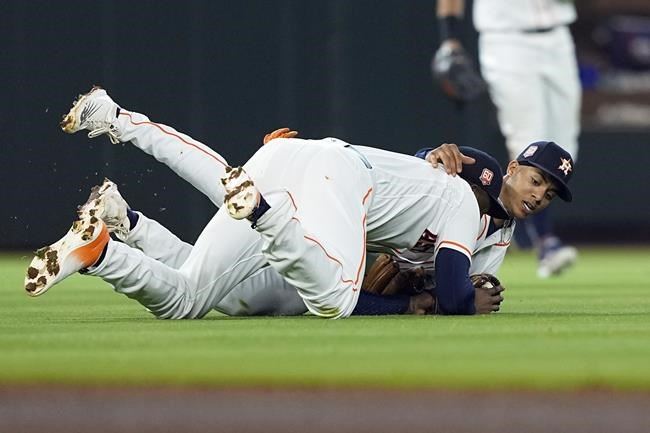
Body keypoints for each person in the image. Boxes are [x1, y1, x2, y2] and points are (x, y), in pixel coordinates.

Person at [24, 87, 508, 318]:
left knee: (187, 300)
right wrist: (427, 302)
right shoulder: (458, 202)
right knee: (334, 302)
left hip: (294, 161)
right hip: (327, 188)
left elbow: (416, 257)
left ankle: (103, 244)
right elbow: (448, 290)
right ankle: (257, 209)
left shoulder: (425, 183)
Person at [433, 0, 581, 278]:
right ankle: (545, 241)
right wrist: (449, 39)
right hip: (507, 39)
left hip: (559, 35)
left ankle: (520, 227)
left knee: (564, 152)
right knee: (531, 140)